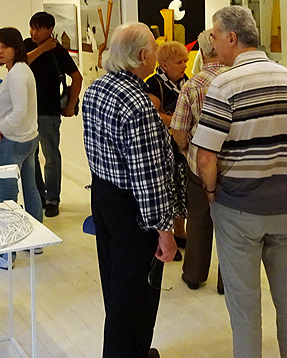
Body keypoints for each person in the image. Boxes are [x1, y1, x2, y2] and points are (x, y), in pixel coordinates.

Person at [194, 6, 287, 358]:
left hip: (238, 209)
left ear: (231, 38)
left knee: (244, 305)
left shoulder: (224, 84)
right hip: (285, 209)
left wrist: (211, 193)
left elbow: (205, 155)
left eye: (215, 36)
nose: (212, 43)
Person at [82, 22, 177, 358]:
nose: (156, 54)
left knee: (116, 283)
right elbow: (147, 177)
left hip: (103, 194)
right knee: (137, 292)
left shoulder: (96, 88)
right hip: (132, 206)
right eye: (154, 48)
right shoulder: (138, 104)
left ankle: (130, 349)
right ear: (142, 55)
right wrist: (165, 231)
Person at [170, 29, 226, 291]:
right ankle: (227, 281)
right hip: (234, 166)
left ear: (202, 52)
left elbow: (179, 130)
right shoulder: (236, 79)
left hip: (199, 164)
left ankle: (194, 274)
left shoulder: (192, 85)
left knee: (199, 221)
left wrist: (186, 150)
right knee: (230, 226)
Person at [0, 26, 42, 268]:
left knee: (7, 195)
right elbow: (16, 106)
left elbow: (19, 111)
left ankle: (6, 254)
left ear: (16, 47)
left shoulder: (18, 73)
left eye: (4, 46)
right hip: (28, 138)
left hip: (13, 141)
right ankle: (36, 240)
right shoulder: (19, 71)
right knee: (30, 188)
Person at [24, 11, 82, 217]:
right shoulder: (27, 45)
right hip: (27, 111)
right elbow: (20, 64)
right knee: (30, 156)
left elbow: (77, 77)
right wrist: (42, 48)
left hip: (49, 110)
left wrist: (71, 105)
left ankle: (52, 199)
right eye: (32, 27)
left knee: (51, 156)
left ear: (50, 30)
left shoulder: (58, 51)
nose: (33, 32)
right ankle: (38, 196)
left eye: (39, 28)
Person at [145, 40, 189, 253]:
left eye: (185, 61)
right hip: (163, 148)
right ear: (164, 65)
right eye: (180, 62)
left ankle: (180, 232)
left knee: (181, 191)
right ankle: (166, 237)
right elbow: (153, 114)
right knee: (168, 192)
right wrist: (179, 122)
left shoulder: (185, 82)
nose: (185, 65)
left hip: (181, 147)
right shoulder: (154, 84)